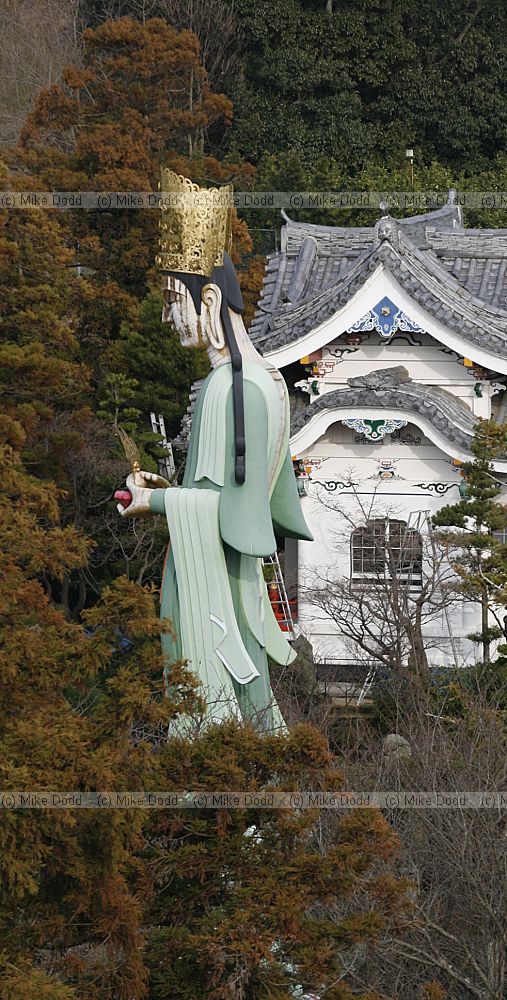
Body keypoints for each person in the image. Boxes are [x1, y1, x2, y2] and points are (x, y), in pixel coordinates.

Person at [115, 167, 311, 732]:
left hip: (212, 577)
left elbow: (220, 509)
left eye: (172, 300)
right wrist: (167, 489)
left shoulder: (230, 387)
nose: (166, 318)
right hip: (231, 569)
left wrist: (151, 503)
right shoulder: (268, 380)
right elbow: (232, 494)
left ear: (207, 299)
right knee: (250, 694)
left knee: (221, 695)